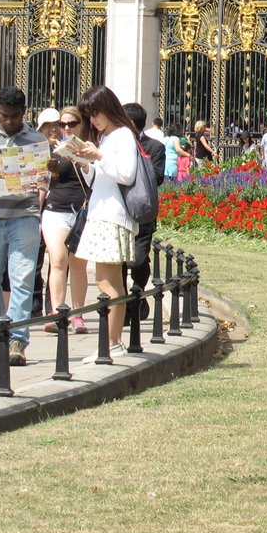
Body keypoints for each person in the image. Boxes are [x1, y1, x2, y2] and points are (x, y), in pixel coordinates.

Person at [0, 87, 50, 366]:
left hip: (24, 214)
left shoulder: (37, 139)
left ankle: (17, 338)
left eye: (14, 116)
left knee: (22, 280)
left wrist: (45, 175)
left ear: (24, 112)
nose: (9, 121)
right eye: (4, 115)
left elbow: (43, 180)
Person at [65, 86, 140, 358]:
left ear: (108, 108)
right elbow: (98, 179)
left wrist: (98, 156)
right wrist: (84, 162)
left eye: (95, 113)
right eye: (89, 115)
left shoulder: (122, 134)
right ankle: (113, 343)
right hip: (102, 211)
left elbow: (127, 174)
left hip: (112, 215)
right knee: (111, 283)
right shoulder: (107, 136)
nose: (93, 119)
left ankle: (111, 344)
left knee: (105, 283)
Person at [41, 106, 90, 335]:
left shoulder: (89, 148)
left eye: (72, 124)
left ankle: (78, 315)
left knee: (78, 264)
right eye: (62, 124)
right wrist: (52, 173)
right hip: (56, 210)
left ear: (81, 124)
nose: (66, 128)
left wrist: (83, 160)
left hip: (82, 211)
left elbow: (96, 179)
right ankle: (57, 313)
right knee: (58, 260)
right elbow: (46, 185)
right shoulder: (52, 150)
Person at [122, 104, 166, 305]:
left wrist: (139, 167)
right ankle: (124, 302)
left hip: (142, 210)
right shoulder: (117, 144)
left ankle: (138, 291)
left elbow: (158, 177)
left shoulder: (155, 147)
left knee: (139, 259)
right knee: (120, 261)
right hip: (121, 210)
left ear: (130, 123)